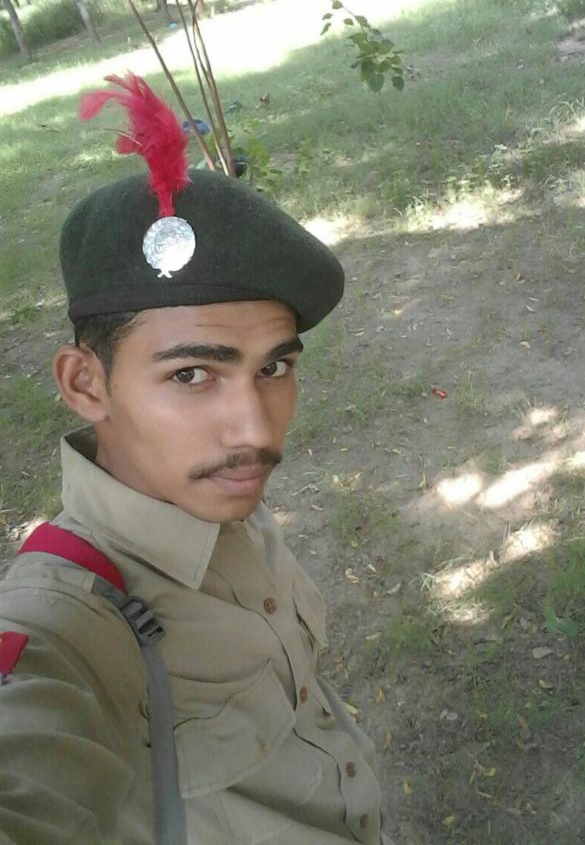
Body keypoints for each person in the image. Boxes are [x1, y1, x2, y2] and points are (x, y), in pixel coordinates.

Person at [0, 75, 390, 845]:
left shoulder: (212, 493)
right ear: (85, 384)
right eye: (190, 375)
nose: (256, 428)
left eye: (274, 366)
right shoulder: (63, 630)